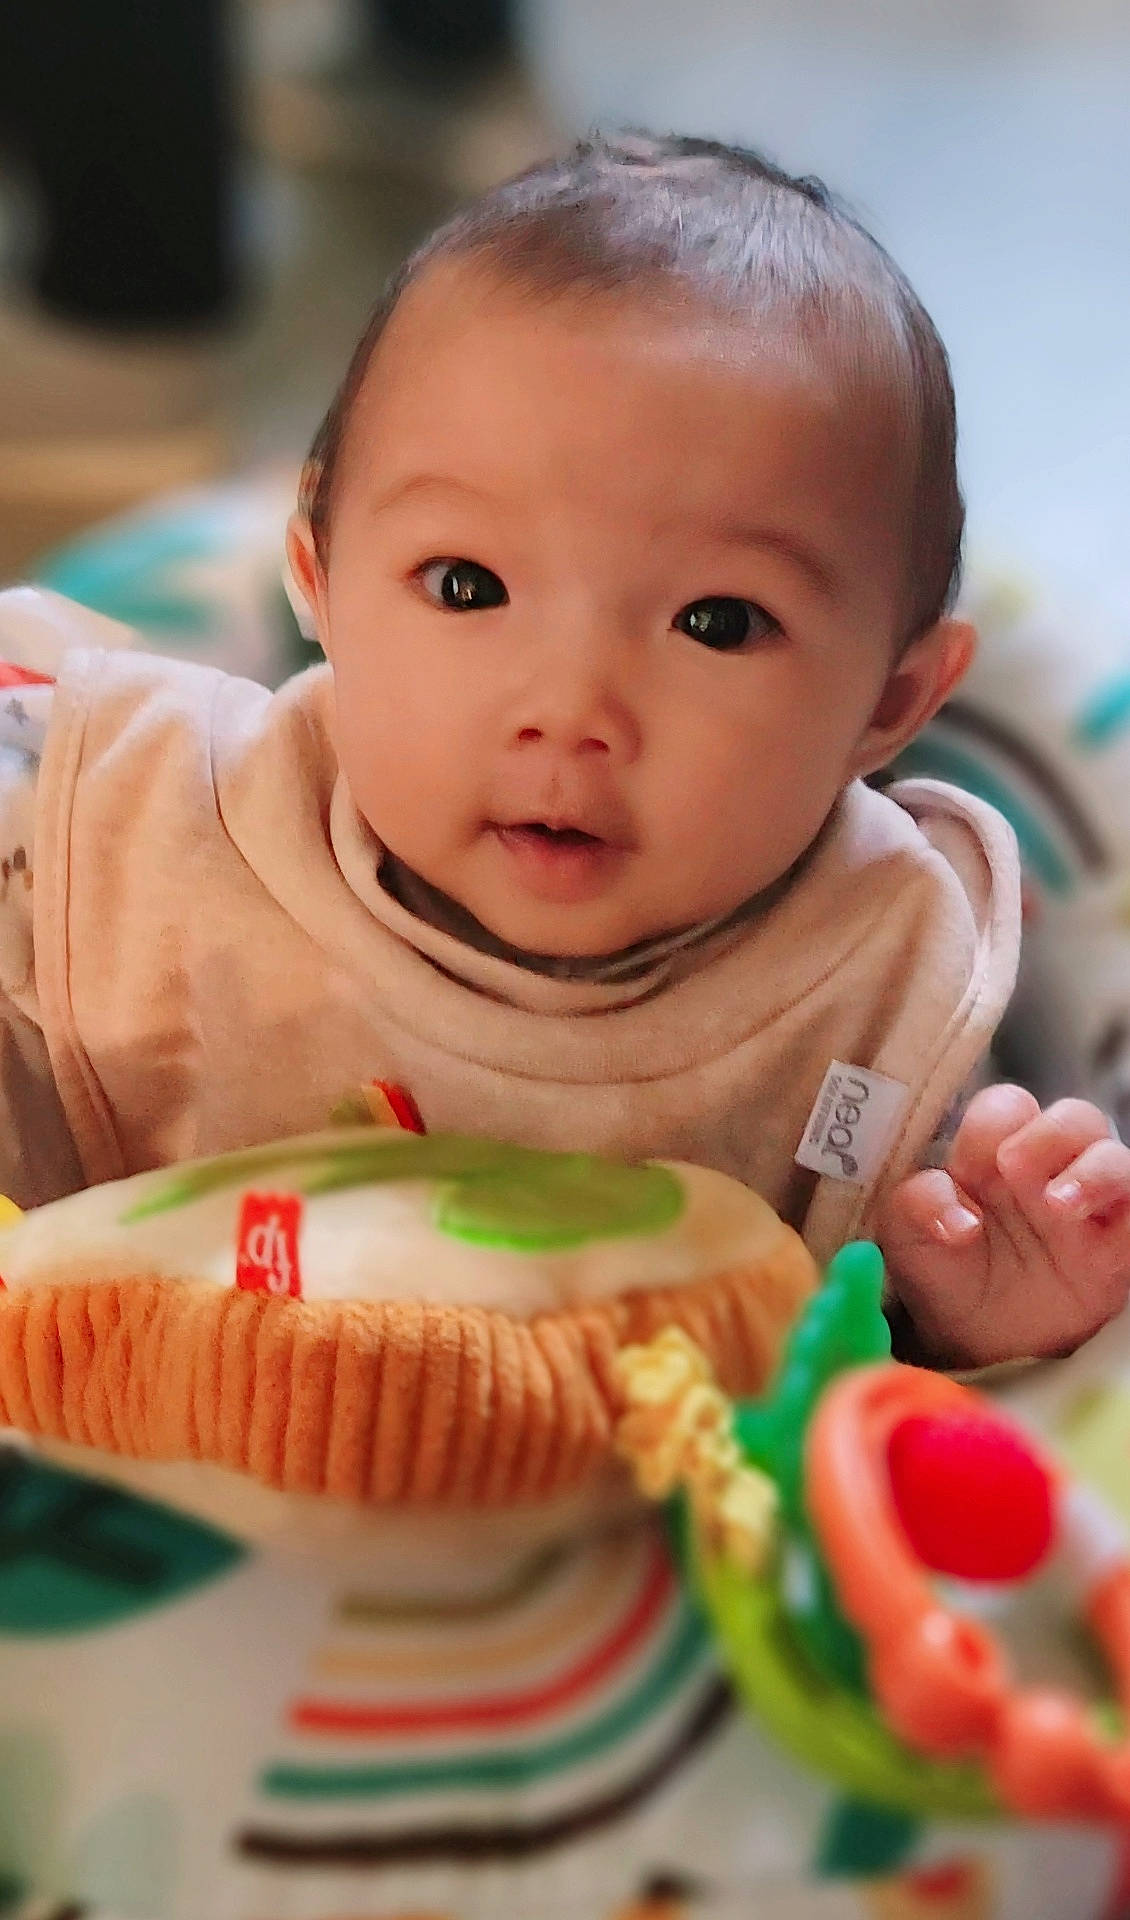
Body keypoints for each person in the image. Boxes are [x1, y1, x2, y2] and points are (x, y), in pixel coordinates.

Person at [1, 132, 1128, 1374]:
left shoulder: (875, 985)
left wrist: (973, 1312)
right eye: (467, 584)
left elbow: (883, 1403)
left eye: (716, 623)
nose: (571, 707)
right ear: (317, 583)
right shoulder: (157, 823)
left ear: (890, 701)